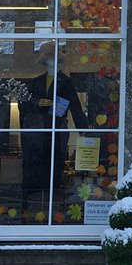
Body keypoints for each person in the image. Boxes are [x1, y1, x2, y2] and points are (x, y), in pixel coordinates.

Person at [19, 41, 84, 202]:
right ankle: (31, 202)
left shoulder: (66, 82)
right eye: (48, 57)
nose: (51, 60)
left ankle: (53, 201)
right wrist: (37, 102)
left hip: (57, 130)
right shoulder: (36, 82)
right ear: (44, 60)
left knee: (55, 164)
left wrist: (85, 131)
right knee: (34, 165)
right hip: (36, 133)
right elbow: (24, 104)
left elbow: (76, 107)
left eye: (54, 57)